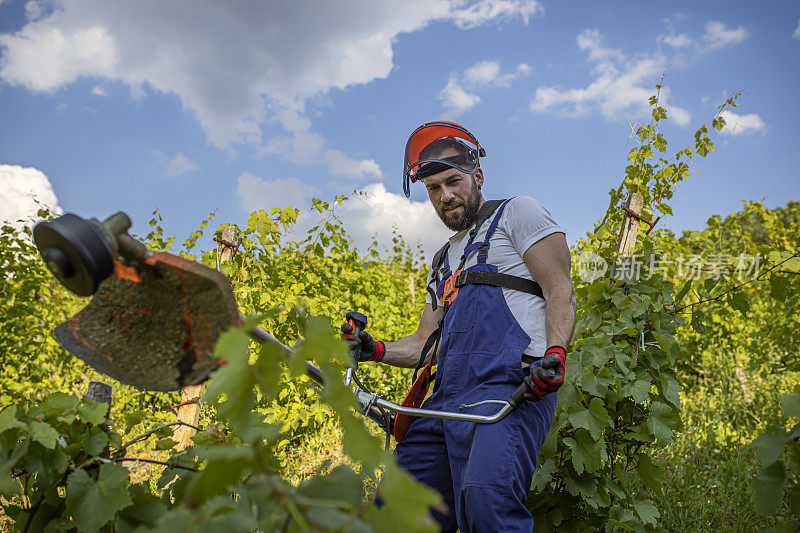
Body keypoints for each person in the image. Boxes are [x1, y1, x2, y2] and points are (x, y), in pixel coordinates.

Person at [342, 121, 576, 532]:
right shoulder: (442, 260)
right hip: (445, 401)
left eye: (453, 181)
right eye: (434, 189)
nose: (445, 195)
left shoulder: (516, 213)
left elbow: (559, 288)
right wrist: (373, 349)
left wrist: (554, 355)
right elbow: (423, 345)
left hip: (508, 390)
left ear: (477, 177)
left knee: (488, 505)